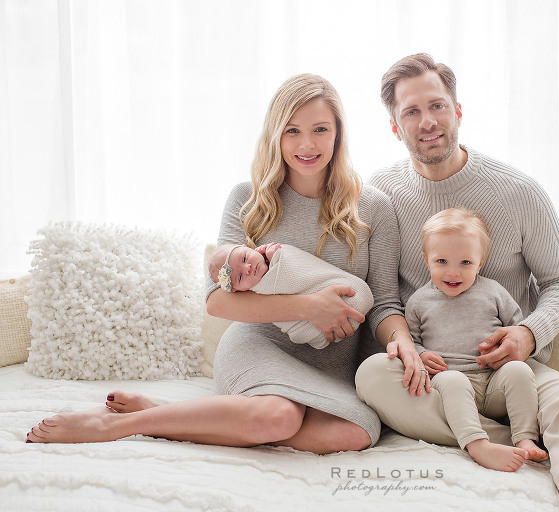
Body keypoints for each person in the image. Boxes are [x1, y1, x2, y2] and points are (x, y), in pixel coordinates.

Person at [27, 73, 404, 455]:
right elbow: (218, 300)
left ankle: (181, 415)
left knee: (354, 434)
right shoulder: (249, 200)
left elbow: (386, 303)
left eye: (320, 129)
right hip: (260, 345)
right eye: (292, 131)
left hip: (333, 362)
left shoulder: (372, 206)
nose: (306, 144)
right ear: (275, 134)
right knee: (278, 417)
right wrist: (309, 306)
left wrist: (403, 342)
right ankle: (120, 425)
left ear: (338, 133)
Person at [355, 54, 559, 511]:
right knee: (370, 375)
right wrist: (406, 346)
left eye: (437, 106)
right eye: (411, 111)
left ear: (458, 111)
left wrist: (528, 333)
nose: (427, 121)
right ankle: (525, 437)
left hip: (511, 371)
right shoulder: (380, 196)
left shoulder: (518, 192)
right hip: (435, 376)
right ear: (394, 127)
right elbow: (383, 301)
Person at [407, 207, 548, 472]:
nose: (453, 273)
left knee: (518, 370)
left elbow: (515, 329)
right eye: (442, 262)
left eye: (465, 263)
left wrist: (510, 345)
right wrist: (421, 354)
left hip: (493, 380)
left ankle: (525, 437)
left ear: (480, 263)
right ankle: (477, 444)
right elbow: (411, 341)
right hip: (452, 386)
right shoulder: (418, 302)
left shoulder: (493, 292)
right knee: (452, 380)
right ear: (426, 260)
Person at [209, 242, 374, 349]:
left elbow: (298, 268)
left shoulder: (274, 254)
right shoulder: (257, 290)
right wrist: (312, 307)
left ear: (248, 246)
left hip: (347, 296)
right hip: (260, 347)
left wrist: (278, 258)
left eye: (245, 257)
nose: (247, 268)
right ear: (236, 291)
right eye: (239, 277)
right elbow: (215, 305)